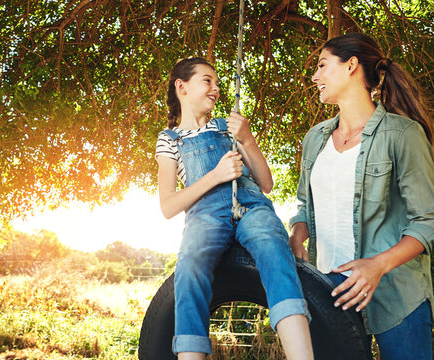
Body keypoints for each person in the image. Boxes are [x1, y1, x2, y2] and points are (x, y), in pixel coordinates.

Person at [155, 57, 314, 360]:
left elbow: (266, 183)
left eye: (217, 82)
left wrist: (247, 138)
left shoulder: (229, 128)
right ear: (182, 87)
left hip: (251, 205)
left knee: (272, 244)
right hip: (205, 214)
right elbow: (168, 206)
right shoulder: (169, 139)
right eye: (207, 80)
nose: (216, 88)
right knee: (189, 265)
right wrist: (215, 175)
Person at [289, 33, 433, 360]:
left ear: (351, 65)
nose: (315, 77)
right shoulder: (315, 139)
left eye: (323, 65)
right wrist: (298, 234)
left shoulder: (402, 134)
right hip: (329, 295)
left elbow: (428, 220)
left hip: (397, 298)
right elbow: (304, 207)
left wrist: (377, 266)